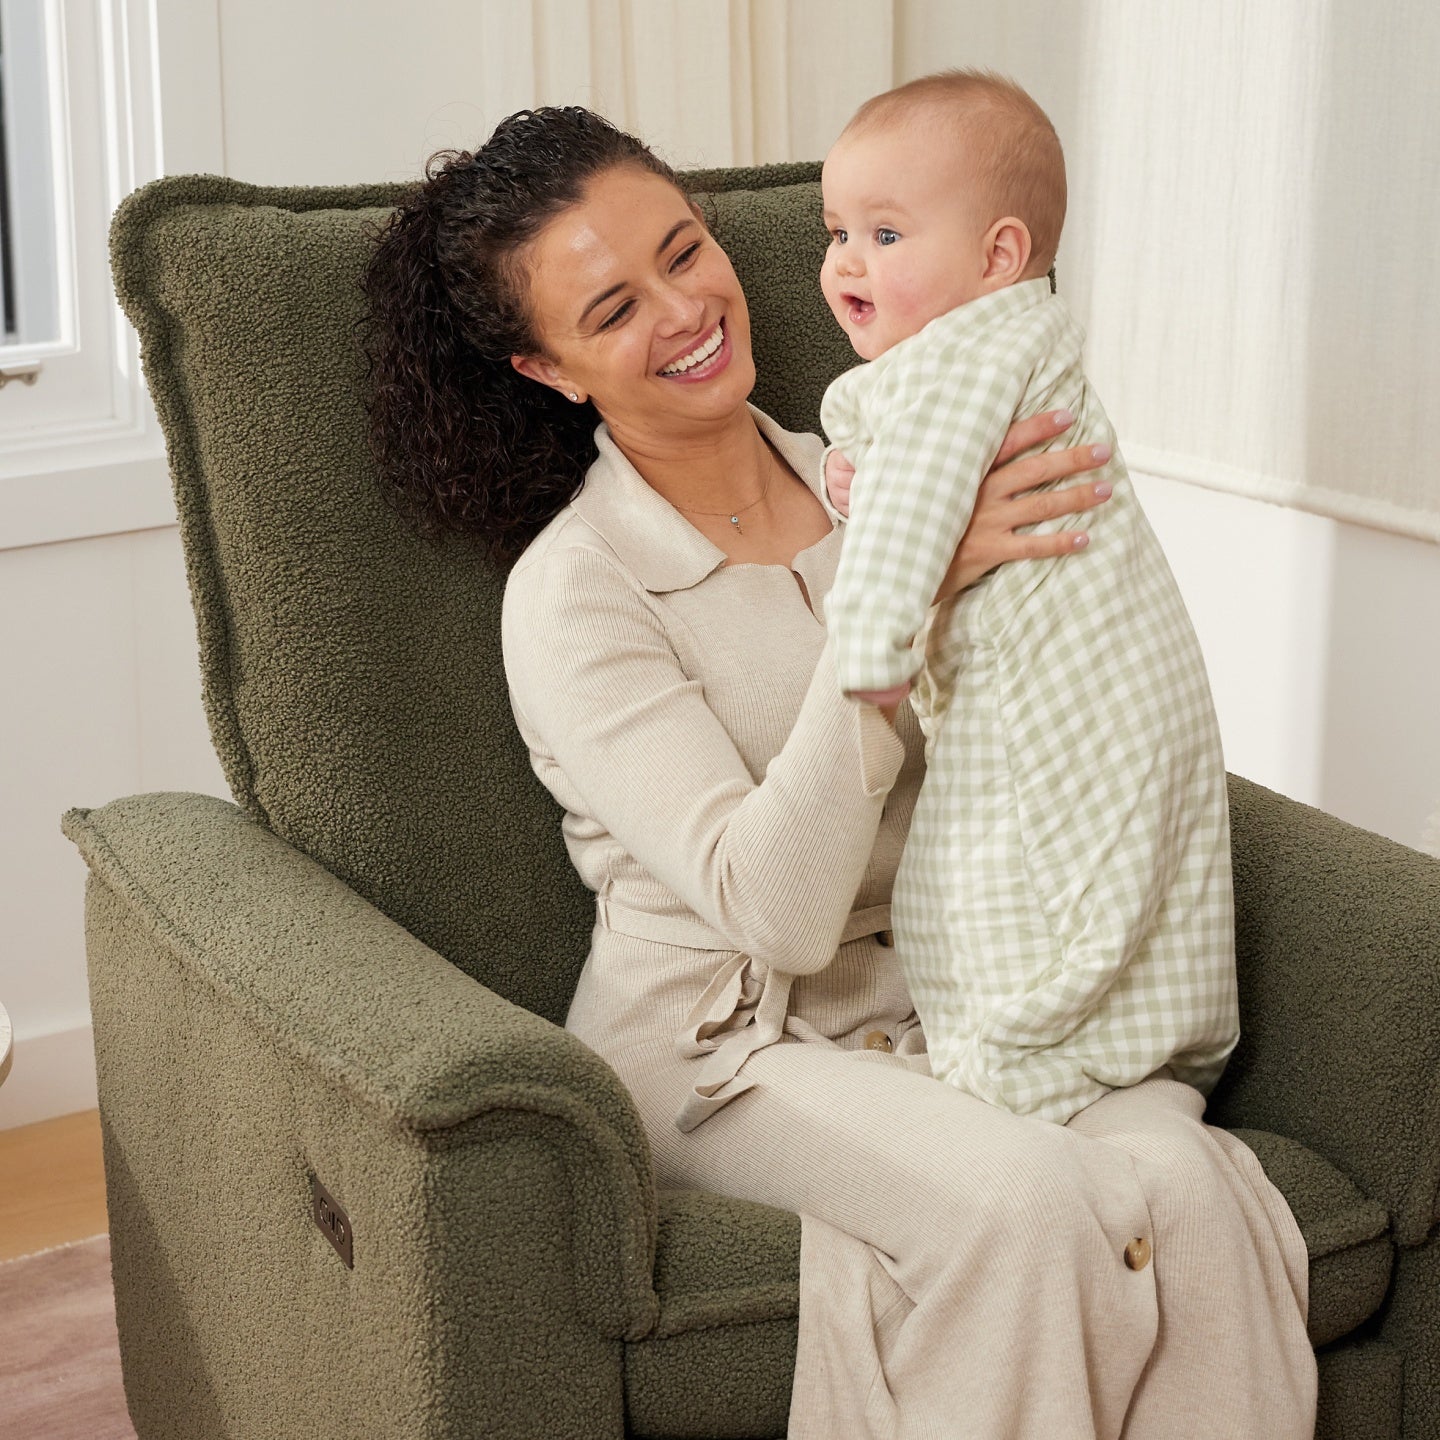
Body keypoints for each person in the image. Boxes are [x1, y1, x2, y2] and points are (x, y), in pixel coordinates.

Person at [362, 105, 1316, 1439]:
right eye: (617, 308)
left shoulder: (887, 473)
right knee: (1026, 1204)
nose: (687, 309)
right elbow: (778, 911)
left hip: (965, 1008)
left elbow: (1081, 690)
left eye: (686, 250)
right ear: (549, 367)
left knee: (1194, 1196)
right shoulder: (576, 596)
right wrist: (909, 593)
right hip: (725, 1051)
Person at [817, 70, 1238, 1127]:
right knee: (1130, 857)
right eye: (836, 231)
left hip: (1056, 678)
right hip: (1133, 670)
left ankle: (1020, 1060)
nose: (844, 262)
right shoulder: (1018, 347)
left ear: (999, 258)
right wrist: (848, 474)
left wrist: (866, 650)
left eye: (884, 234)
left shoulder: (966, 354)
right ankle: (1147, 1034)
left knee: (998, 868)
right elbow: (900, 474)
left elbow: (912, 511)